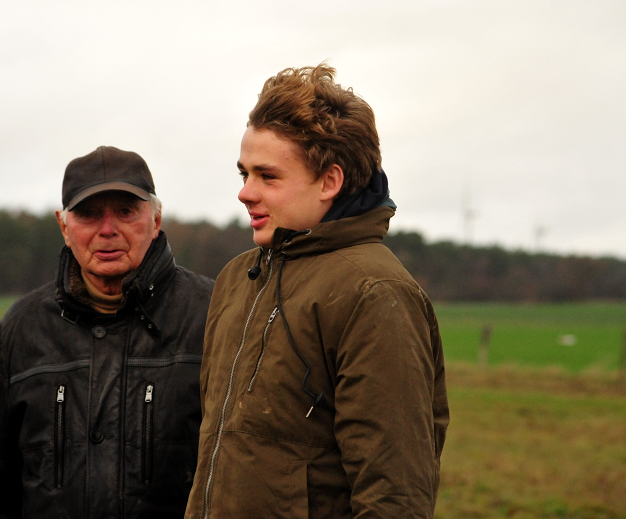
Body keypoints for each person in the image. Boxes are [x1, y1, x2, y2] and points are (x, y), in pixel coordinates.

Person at [184, 65, 449, 519]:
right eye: (244, 173)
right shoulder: (237, 278)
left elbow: (394, 492)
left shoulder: (375, 292)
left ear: (330, 181)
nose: (245, 193)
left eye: (267, 176)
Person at [0, 146, 215, 519]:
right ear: (63, 225)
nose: (107, 230)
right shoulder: (22, 329)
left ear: (155, 220)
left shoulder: (214, 314)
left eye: (125, 211)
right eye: (87, 213)